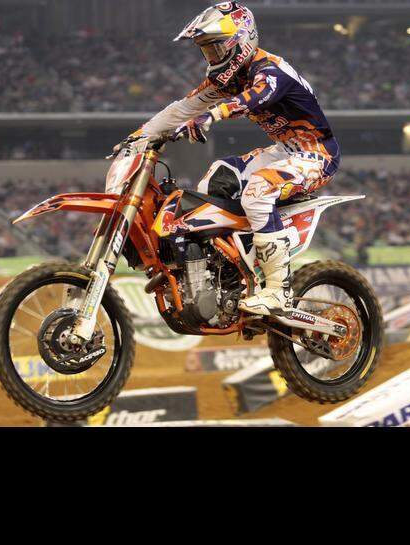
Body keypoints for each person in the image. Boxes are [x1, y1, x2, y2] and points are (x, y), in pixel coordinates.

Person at [118, 2, 340, 316]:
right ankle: (223, 270)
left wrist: (213, 115)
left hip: (316, 154)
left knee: (258, 189)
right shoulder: (231, 78)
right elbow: (183, 108)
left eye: (216, 47)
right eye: (206, 49)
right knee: (217, 177)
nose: (211, 56)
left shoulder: (271, 71)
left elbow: (253, 97)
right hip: (284, 150)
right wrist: (139, 137)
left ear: (241, 40)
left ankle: (278, 290)